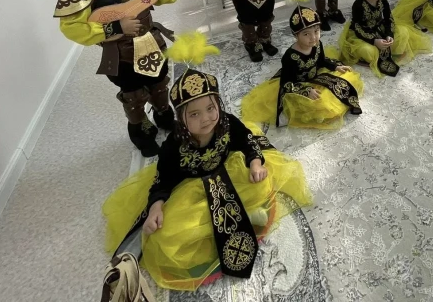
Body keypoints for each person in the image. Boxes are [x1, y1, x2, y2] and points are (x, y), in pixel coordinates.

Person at [103, 46, 312, 291]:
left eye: (211, 108)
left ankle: (246, 212)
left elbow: (247, 141)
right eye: (194, 114)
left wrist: (255, 162)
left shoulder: (227, 123)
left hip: (228, 174)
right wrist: (156, 206)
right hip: (192, 188)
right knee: (168, 233)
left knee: (261, 181)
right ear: (181, 119)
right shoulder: (174, 146)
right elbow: (163, 180)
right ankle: (223, 227)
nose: (206, 118)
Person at [55, 0, 195, 157]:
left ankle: (165, 117)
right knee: (134, 96)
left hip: (153, 44)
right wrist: (114, 27)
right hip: (121, 56)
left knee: (160, 85)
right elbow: (72, 27)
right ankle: (141, 132)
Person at [241, 0, 364, 129]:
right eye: (306, 34)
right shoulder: (290, 57)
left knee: (345, 82)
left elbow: (321, 61)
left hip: (316, 76)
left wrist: (335, 67)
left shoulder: (317, 44)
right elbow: (286, 84)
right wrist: (306, 91)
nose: (313, 38)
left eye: (316, 31)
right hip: (298, 84)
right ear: (296, 36)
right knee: (319, 105)